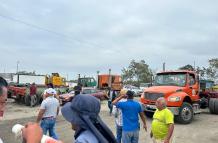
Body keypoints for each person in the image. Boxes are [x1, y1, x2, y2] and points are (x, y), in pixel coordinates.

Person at [0, 77, 43, 143]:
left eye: (4, 103)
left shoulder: (32, 87)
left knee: (33, 100)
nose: (3, 109)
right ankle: (32, 105)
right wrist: (33, 139)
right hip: (33, 95)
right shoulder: (34, 87)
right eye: (2, 102)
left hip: (32, 94)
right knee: (33, 100)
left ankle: (32, 105)